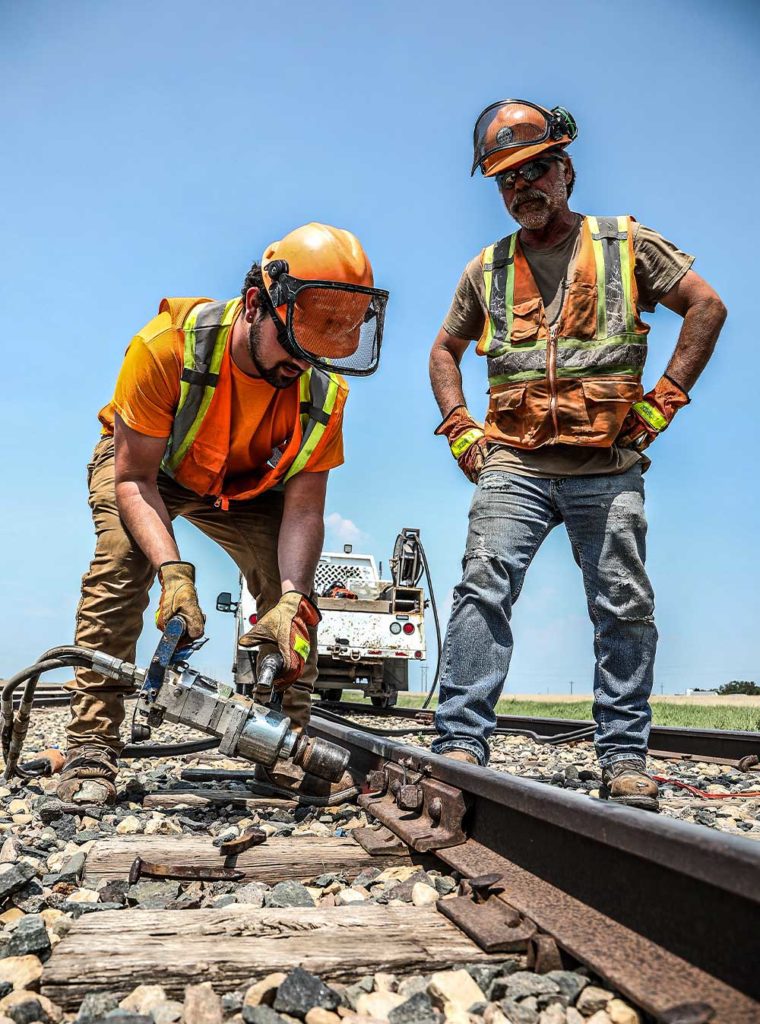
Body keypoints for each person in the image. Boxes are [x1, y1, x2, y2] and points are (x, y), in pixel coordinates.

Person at [429, 100, 726, 810]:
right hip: (515, 464)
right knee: (482, 588)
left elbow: (706, 306)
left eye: (532, 171)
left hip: (607, 464)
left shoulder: (623, 244)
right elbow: (444, 349)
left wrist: (663, 403)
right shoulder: (488, 268)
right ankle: (459, 744)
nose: (520, 189)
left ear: (565, 169)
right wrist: (461, 426)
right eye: (504, 180)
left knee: (622, 603)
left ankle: (624, 756)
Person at [58, 222, 388, 806]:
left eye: (323, 346)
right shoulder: (166, 348)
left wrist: (290, 600)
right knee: (120, 563)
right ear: (258, 304)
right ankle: (91, 745)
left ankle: (285, 745)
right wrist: (173, 574)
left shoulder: (322, 392)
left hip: (245, 486)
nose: (306, 364)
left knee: (291, 602)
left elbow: (304, 511)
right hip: (150, 467)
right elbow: (132, 479)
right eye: (297, 343)